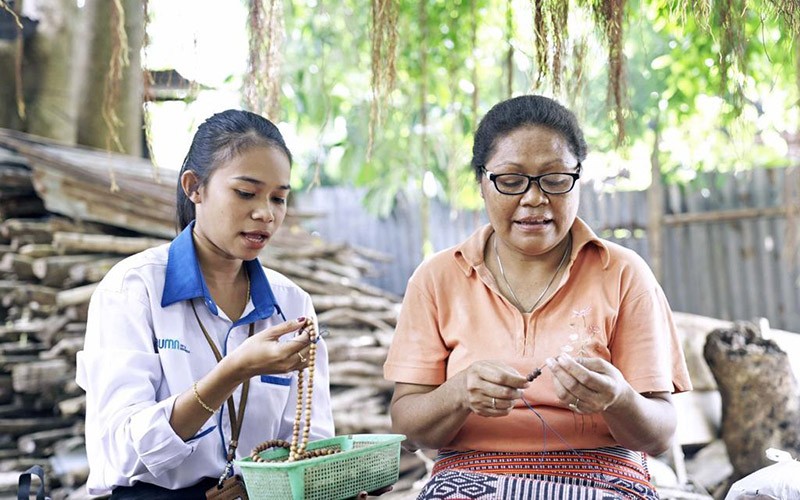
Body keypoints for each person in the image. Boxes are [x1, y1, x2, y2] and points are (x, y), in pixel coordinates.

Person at [383, 95, 693, 499]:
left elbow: (660, 434)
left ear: (578, 178)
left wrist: (619, 399)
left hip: (604, 481)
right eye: (511, 181)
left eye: (555, 179)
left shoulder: (622, 273)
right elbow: (406, 428)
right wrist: (457, 393)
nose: (534, 199)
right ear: (482, 183)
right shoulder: (437, 278)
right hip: (466, 484)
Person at [76, 109, 335, 498]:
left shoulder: (291, 303)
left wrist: (257, 489)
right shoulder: (133, 289)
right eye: (246, 193)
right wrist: (231, 372)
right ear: (194, 187)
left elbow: (310, 441)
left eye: (279, 198)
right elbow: (122, 451)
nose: (265, 213)